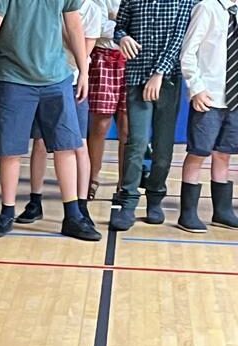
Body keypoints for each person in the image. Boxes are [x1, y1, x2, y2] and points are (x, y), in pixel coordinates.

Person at [0, 0, 102, 241]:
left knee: (66, 146)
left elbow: (74, 25)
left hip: (57, 78)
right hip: (13, 78)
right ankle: (6, 213)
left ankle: (73, 216)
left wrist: (84, 71)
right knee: (10, 150)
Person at [110, 0, 195, 231]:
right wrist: (122, 38)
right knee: (136, 142)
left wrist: (159, 73)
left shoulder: (185, 2)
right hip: (137, 76)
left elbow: (179, 39)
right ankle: (128, 202)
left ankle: (155, 197)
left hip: (167, 80)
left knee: (163, 146)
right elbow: (120, 27)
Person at [17, 0, 103, 227]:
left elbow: (81, 53)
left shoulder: (92, 11)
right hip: (46, 80)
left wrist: (66, 23)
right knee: (40, 142)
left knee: (79, 145)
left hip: (73, 82)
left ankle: (81, 205)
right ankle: (35, 201)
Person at [177, 0, 238, 232]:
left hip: (234, 98)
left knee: (224, 153)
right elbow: (188, 52)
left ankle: (222, 211)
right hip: (209, 96)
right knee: (198, 152)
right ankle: (188, 213)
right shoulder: (207, 8)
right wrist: (196, 88)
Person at [86, 0, 129, 200]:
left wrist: (116, 21)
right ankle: (92, 178)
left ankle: (124, 184)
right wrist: (125, 26)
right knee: (100, 124)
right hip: (103, 57)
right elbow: (98, 25)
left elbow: (140, 25)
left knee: (127, 127)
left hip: (132, 57)